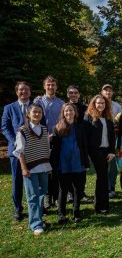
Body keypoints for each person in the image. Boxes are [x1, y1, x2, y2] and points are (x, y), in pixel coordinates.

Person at [13, 104, 52, 235]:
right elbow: (20, 152)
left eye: (39, 112)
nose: (37, 114)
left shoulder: (45, 129)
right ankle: (35, 225)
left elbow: (46, 148)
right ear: (28, 114)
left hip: (44, 166)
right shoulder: (22, 131)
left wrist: (48, 166)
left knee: (42, 194)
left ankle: (39, 220)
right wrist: (24, 168)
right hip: (30, 168)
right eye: (34, 112)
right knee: (33, 196)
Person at [51, 103, 89, 224]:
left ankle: (76, 212)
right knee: (63, 190)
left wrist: (86, 163)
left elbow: (84, 146)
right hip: (64, 164)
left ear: (75, 112)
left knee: (78, 190)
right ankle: (61, 214)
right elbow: (55, 149)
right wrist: (54, 165)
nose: (69, 113)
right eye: (66, 111)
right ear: (63, 113)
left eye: (71, 110)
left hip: (78, 163)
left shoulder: (80, 127)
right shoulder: (57, 128)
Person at [1, 81, 32, 221]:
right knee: (17, 180)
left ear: (30, 92)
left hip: (33, 149)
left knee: (35, 179)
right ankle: (18, 209)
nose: (23, 92)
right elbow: (5, 127)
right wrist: (16, 141)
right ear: (16, 92)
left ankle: (36, 207)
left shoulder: (35, 107)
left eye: (26, 90)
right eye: (21, 90)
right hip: (16, 151)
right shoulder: (9, 108)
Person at [34, 75, 64, 209]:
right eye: (48, 85)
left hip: (57, 139)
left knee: (56, 169)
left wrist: (55, 133)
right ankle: (46, 197)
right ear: (44, 86)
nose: (50, 87)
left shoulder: (61, 103)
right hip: (41, 140)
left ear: (56, 87)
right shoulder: (38, 101)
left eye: (53, 85)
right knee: (44, 169)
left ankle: (56, 196)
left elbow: (63, 121)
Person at [84, 95, 115, 214]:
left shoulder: (108, 117)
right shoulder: (89, 117)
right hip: (95, 151)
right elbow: (86, 137)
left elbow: (112, 137)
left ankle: (102, 204)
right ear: (94, 104)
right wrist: (86, 153)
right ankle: (101, 206)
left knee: (103, 177)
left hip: (107, 151)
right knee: (102, 176)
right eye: (98, 103)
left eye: (103, 103)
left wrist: (112, 151)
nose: (100, 105)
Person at [66, 85, 88, 202]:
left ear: (79, 95)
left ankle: (81, 192)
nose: (73, 95)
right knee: (69, 167)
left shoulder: (85, 108)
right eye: (71, 93)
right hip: (68, 141)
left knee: (82, 167)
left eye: (75, 93)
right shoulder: (65, 107)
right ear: (67, 95)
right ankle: (70, 193)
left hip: (82, 142)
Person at [101, 84, 122, 198]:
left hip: (113, 137)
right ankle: (105, 186)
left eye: (110, 91)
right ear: (102, 92)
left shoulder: (117, 106)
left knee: (113, 163)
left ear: (112, 93)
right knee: (102, 164)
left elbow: (120, 121)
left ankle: (112, 186)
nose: (108, 93)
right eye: (106, 91)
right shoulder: (98, 103)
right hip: (101, 138)